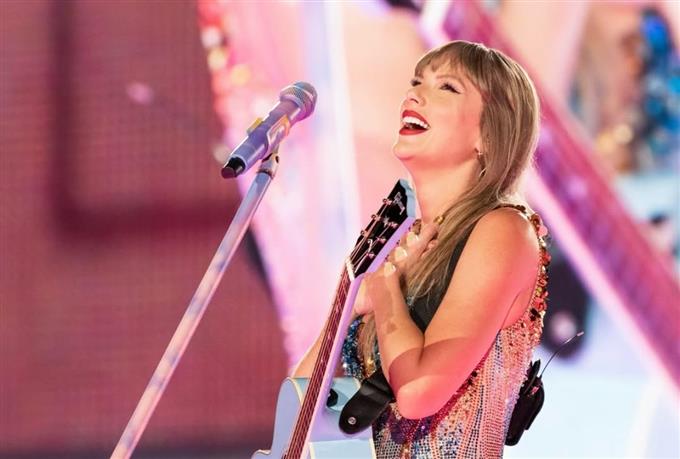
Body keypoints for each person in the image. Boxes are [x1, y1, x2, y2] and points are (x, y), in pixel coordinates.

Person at [293, 40, 549, 458]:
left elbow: (417, 393)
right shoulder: (401, 243)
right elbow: (299, 415)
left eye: (446, 87)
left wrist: (386, 290)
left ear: (488, 134)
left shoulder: (503, 230)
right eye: (416, 82)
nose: (414, 95)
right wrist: (349, 310)